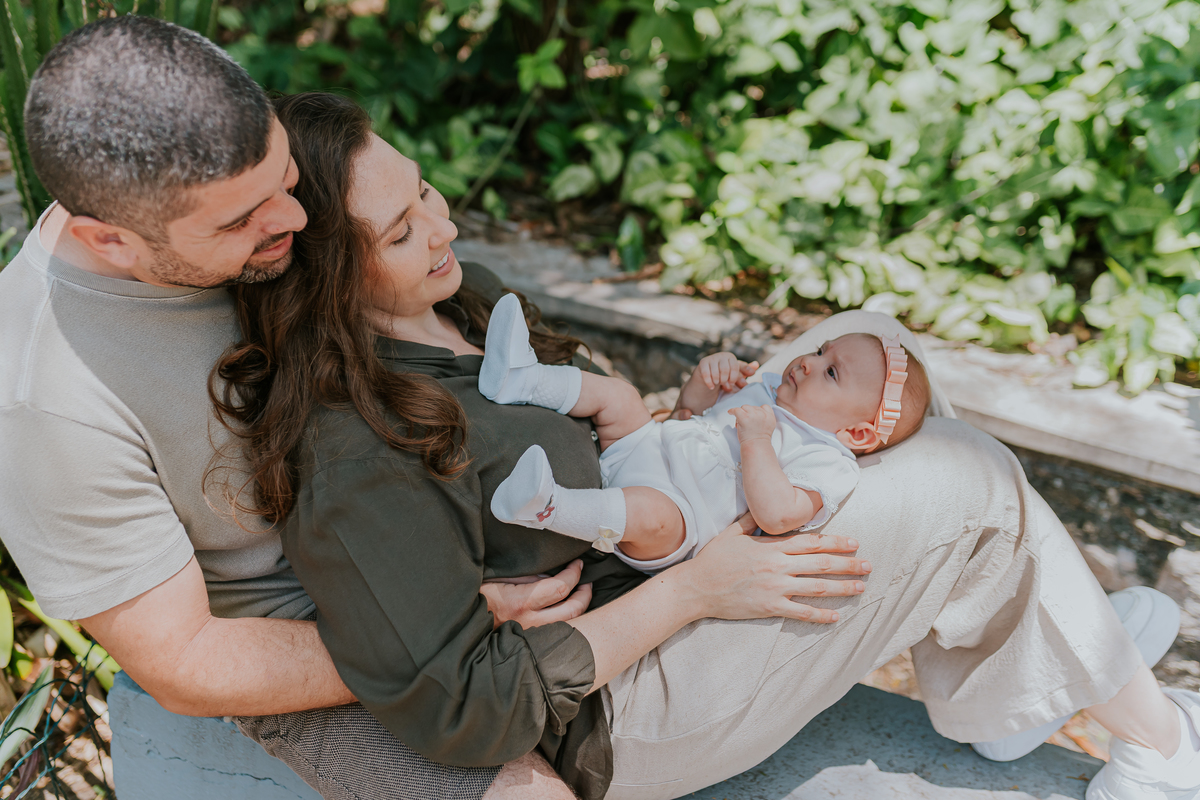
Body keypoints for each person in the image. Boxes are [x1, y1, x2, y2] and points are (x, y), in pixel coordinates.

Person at [212, 89, 1200, 800]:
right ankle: (1159, 746)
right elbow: (461, 712)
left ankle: (1023, 686)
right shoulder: (354, 449)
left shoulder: (447, 306)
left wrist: (680, 414)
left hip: (668, 560)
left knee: (886, 394)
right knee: (973, 481)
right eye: (399, 230)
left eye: (423, 191)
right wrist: (702, 586)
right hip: (629, 709)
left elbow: (587, 445)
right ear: (332, 276)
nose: (443, 224)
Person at [0, 17, 617, 800]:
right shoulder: (43, 404)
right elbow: (186, 662)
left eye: (285, 181)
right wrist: (428, 635)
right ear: (110, 240)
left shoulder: (235, 181)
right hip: (313, 637)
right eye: (240, 221)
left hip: (453, 495)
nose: (292, 222)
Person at [480, 292, 932, 567]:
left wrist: (757, 443)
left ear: (857, 435)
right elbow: (685, 415)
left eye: (831, 373)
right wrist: (706, 380)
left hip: (680, 517)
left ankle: (546, 507)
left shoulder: (826, 460)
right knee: (621, 397)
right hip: (646, 446)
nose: (808, 363)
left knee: (649, 514)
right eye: (819, 351)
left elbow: (777, 515)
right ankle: (521, 379)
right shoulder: (770, 386)